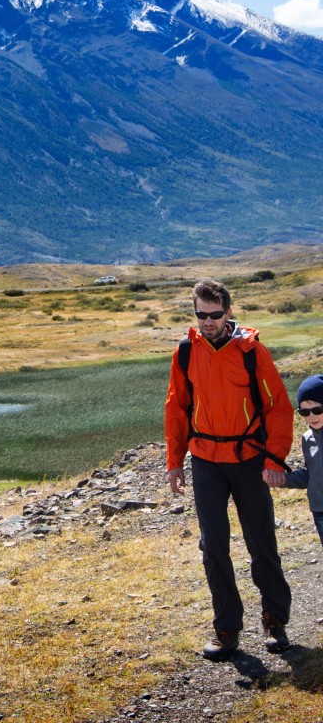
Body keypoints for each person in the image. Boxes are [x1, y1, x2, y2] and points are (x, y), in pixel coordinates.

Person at [164, 278, 294, 660]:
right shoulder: (185, 352)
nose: (207, 322)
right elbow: (176, 409)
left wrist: (274, 460)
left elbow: (278, 407)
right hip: (205, 460)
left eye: (215, 314)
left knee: (261, 542)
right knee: (213, 547)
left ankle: (275, 622)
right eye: (201, 314)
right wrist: (174, 462)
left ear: (229, 312)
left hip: (249, 459)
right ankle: (226, 630)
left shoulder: (252, 351)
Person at [274, 374, 323, 549]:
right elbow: (311, 475)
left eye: (317, 410)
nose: (311, 416)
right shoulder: (307, 439)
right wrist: (282, 479)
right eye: (304, 412)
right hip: (319, 510)